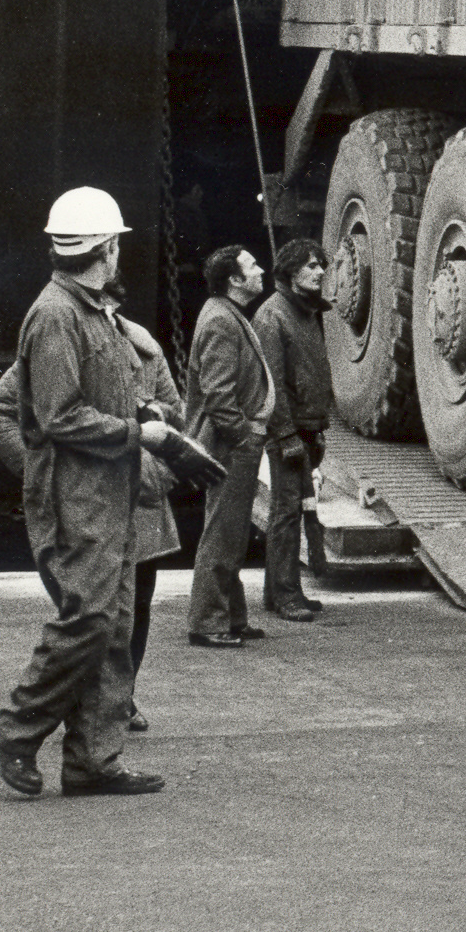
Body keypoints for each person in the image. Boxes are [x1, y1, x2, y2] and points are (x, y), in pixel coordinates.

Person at [0, 187, 195, 799]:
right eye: (116, 244)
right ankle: (17, 730)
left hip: (109, 493)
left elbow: (88, 398)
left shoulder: (90, 311)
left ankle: (93, 760)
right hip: (77, 499)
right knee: (88, 621)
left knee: (113, 625)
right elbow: (58, 416)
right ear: (104, 247)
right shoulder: (56, 315)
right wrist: (141, 430)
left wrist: (139, 406)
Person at [186, 244, 278, 649]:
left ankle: (232, 618)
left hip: (237, 441)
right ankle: (207, 623)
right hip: (231, 445)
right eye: (252, 265)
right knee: (223, 533)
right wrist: (243, 436)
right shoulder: (222, 321)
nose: (261, 270)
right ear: (235, 280)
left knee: (232, 531)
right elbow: (218, 396)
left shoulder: (226, 314)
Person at [253, 236, 333, 621]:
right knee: (286, 513)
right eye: (311, 265)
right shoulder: (273, 315)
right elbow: (272, 383)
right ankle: (286, 596)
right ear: (289, 270)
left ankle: (279, 592)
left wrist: (317, 427)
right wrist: (284, 435)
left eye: (321, 265)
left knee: (295, 511)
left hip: (306, 428)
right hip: (289, 433)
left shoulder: (305, 311)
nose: (320, 272)